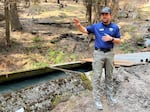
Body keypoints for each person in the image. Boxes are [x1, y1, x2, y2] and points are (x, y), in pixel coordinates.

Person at [73, 7, 121, 110]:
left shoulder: (115, 27)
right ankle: (97, 100)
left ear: (110, 15)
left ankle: (110, 96)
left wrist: (111, 39)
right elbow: (85, 30)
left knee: (109, 76)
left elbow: (119, 40)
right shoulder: (96, 26)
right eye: (103, 14)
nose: (104, 16)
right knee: (97, 77)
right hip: (98, 53)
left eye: (106, 14)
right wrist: (79, 26)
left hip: (110, 54)